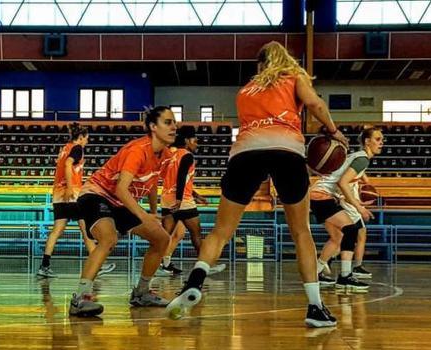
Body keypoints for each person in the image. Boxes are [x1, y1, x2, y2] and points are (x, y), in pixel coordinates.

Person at [166, 41, 347, 328]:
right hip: (286, 150)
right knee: (301, 232)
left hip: (245, 154)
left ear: (260, 65)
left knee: (221, 231)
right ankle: (315, 307)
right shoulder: (293, 78)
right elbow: (315, 104)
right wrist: (334, 132)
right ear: (285, 59)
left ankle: (196, 280)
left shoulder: (245, 91)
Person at [69, 106, 177, 317]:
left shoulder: (164, 155)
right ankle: (80, 299)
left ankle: (141, 293)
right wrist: (143, 215)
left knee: (162, 239)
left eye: (174, 122)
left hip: (120, 202)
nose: (174, 127)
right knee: (108, 239)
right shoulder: (138, 150)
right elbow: (121, 188)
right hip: (97, 194)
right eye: (168, 122)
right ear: (153, 127)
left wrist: (153, 211)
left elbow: (152, 183)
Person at [310, 126, 383, 292]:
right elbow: (342, 182)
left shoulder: (359, 157)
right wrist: (359, 207)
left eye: (382, 140)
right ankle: (345, 276)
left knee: (338, 237)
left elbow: (345, 179)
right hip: (321, 196)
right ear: (367, 141)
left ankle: (317, 272)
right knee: (350, 230)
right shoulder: (362, 159)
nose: (381, 143)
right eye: (378, 139)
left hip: (319, 195)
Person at [37, 123, 114, 278]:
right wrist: (70, 188)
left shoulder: (64, 148)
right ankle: (97, 264)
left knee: (57, 230)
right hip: (72, 195)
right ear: (80, 137)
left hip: (58, 195)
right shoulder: (77, 148)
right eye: (86, 138)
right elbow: (67, 164)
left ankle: (44, 266)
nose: (87, 141)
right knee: (86, 229)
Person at [157, 125, 224, 276]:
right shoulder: (186, 155)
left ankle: (162, 265)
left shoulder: (170, 154)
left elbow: (175, 179)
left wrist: (196, 195)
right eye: (195, 140)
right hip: (183, 202)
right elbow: (181, 177)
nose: (197, 143)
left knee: (166, 236)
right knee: (196, 234)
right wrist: (180, 200)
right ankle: (205, 265)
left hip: (167, 200)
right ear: (187, 140)